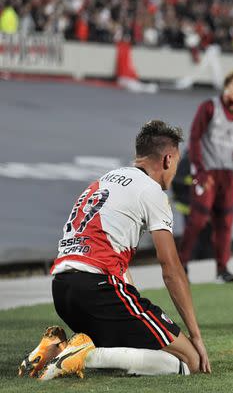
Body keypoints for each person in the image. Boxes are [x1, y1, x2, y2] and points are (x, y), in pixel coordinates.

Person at [19, 120, 211, 380]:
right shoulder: (151, 190)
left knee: (127, 347)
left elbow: (109, 253)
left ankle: (57, 349)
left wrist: (135, 312)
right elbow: (171, 268)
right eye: (175, 162)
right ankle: (83, 356)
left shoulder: (103, 181)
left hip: (62, 290)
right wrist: (196, 336)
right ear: (168, 159)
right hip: (98, 289)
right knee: (191, 361)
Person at [178, 70, 233, 283]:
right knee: (197, 221)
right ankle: (181, 265)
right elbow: (195, 138)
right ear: (226, 86)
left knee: (225, 223)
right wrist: (199, 170)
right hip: (206, 173)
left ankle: (222, 269)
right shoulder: (209, 107)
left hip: (227, 175)